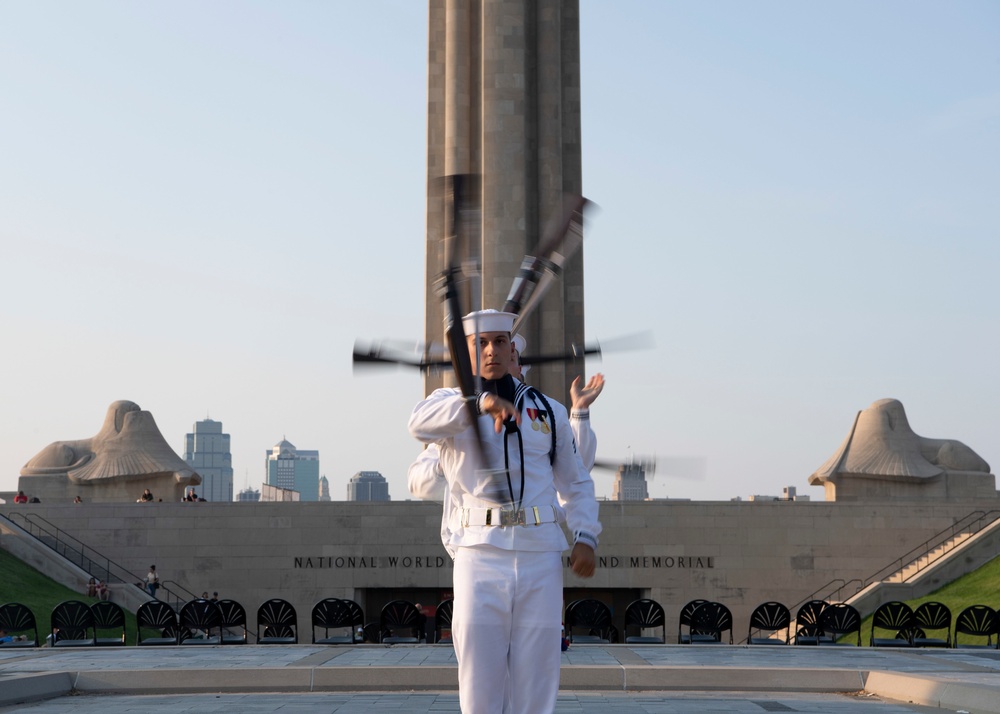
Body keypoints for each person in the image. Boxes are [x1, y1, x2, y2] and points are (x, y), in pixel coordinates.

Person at [408, 309, 601, 714]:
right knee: (480, 679)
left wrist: (585, 535)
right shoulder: (449, 404)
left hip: (540, 554)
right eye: (481, 343)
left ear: (511, 347)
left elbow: (576, 480)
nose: (492, 350)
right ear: (467, 354)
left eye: (499, 342)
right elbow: (418, 424)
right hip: (479, 554)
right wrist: (478, 404)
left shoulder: (548, 411)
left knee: (538, 677)